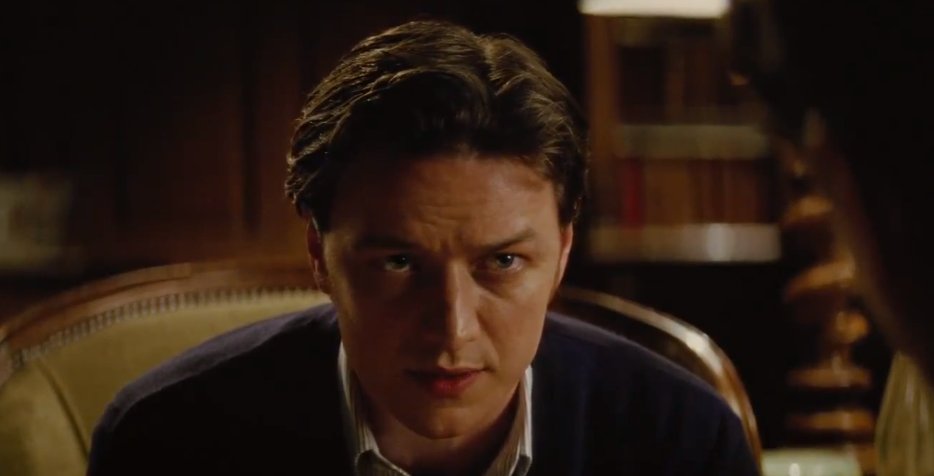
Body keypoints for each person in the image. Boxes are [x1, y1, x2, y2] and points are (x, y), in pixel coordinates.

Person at [87, 20, 757, 475]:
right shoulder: (170, 440)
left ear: (562, 252)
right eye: (399, 263)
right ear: (319, 254)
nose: (452, 328)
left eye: (502, 262)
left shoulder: (679, 441)